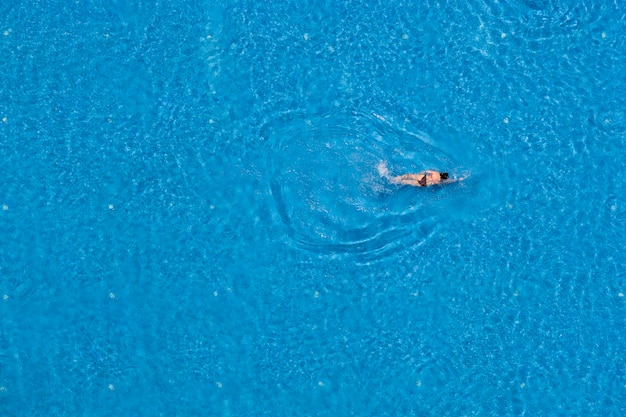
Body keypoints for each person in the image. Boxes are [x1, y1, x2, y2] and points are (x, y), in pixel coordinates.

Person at [377, 161, 464, 187]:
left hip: (422, 177)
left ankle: (394, 179)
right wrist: (458, 179)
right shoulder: (440, 181)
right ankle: (394, 182)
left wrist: (422, 172)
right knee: (408, 182)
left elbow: (428, 170)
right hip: (424, 183)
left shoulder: (436, 173)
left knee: (408, 175)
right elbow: (449, 181)